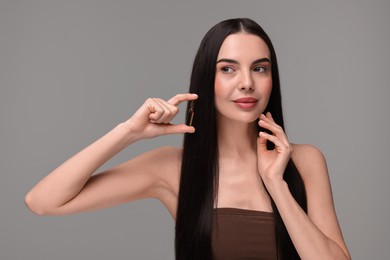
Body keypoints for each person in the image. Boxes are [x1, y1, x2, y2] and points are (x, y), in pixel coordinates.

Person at [25, 18, 350, 259]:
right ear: (205, 78)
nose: (247, 83)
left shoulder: (304, 160)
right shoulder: (170, 168)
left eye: (260, 69)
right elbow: (42, 202)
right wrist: (128, 132)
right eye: (228, 69)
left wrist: (277, 185)